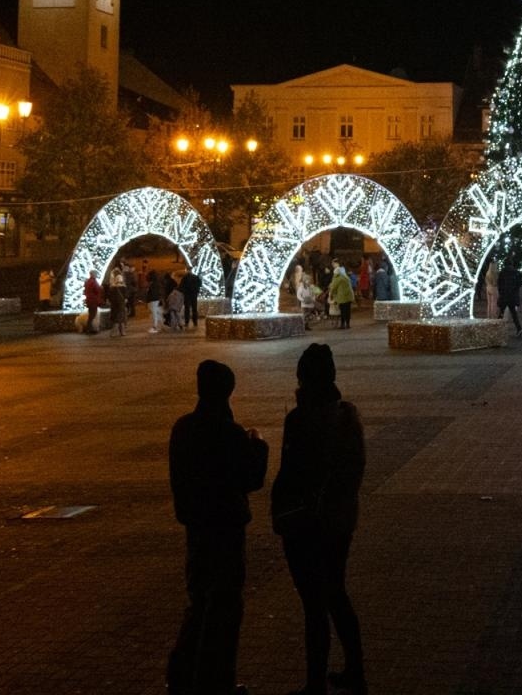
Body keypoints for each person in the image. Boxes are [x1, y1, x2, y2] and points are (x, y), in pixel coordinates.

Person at [167, 359, 268, 695]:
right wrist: (259, 447)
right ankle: (216, 682)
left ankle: (182, 673)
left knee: (198, 599)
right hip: (225, 527)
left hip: (196, 525)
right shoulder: (228, 432)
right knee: (224, 605)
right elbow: (252, 478)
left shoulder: (183, 427)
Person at [271, 343, 367, 695]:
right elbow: (355, 470)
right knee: (336, 593)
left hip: (308, 524)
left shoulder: (300, 419)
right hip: (340, 520)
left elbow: (291, 473)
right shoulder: (347, 416)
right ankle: (355, 669)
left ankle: (315, 682)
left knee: (314, 604)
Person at [496, 260, 522, 337]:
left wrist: (501, 294)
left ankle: (497, 328)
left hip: (504, 296)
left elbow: (499, 285)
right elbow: (519, 284)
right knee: (514, 314)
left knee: (501, 313)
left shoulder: (502, 272)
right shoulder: (516, 272)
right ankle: (519, 328)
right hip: (512, 296)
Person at [328, 263, 354, 330]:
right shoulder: (345, 276)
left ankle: (342, 324)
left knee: (342, 311)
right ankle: (348, 324)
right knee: (348, 310)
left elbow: (333, 287)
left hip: (342, 297)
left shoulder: (337, 278)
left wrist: (331, 294)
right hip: (349, 296)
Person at [108, 267, 128, 337]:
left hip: (115, 306)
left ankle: (113, 332)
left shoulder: (112, 288)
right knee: (121, 319)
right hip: (121, 305)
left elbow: (110, 298)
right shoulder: (124, 288)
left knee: (115, 319)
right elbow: (126, 298)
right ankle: (122, 332)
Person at [147, 269, 166, 333]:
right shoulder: (157, 283)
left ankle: (154, 327)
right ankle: (161, 326)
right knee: (158, 313)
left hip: (153, 300)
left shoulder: (153, 284)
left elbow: (151, 293)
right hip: (156, 300)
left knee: (154, 314)